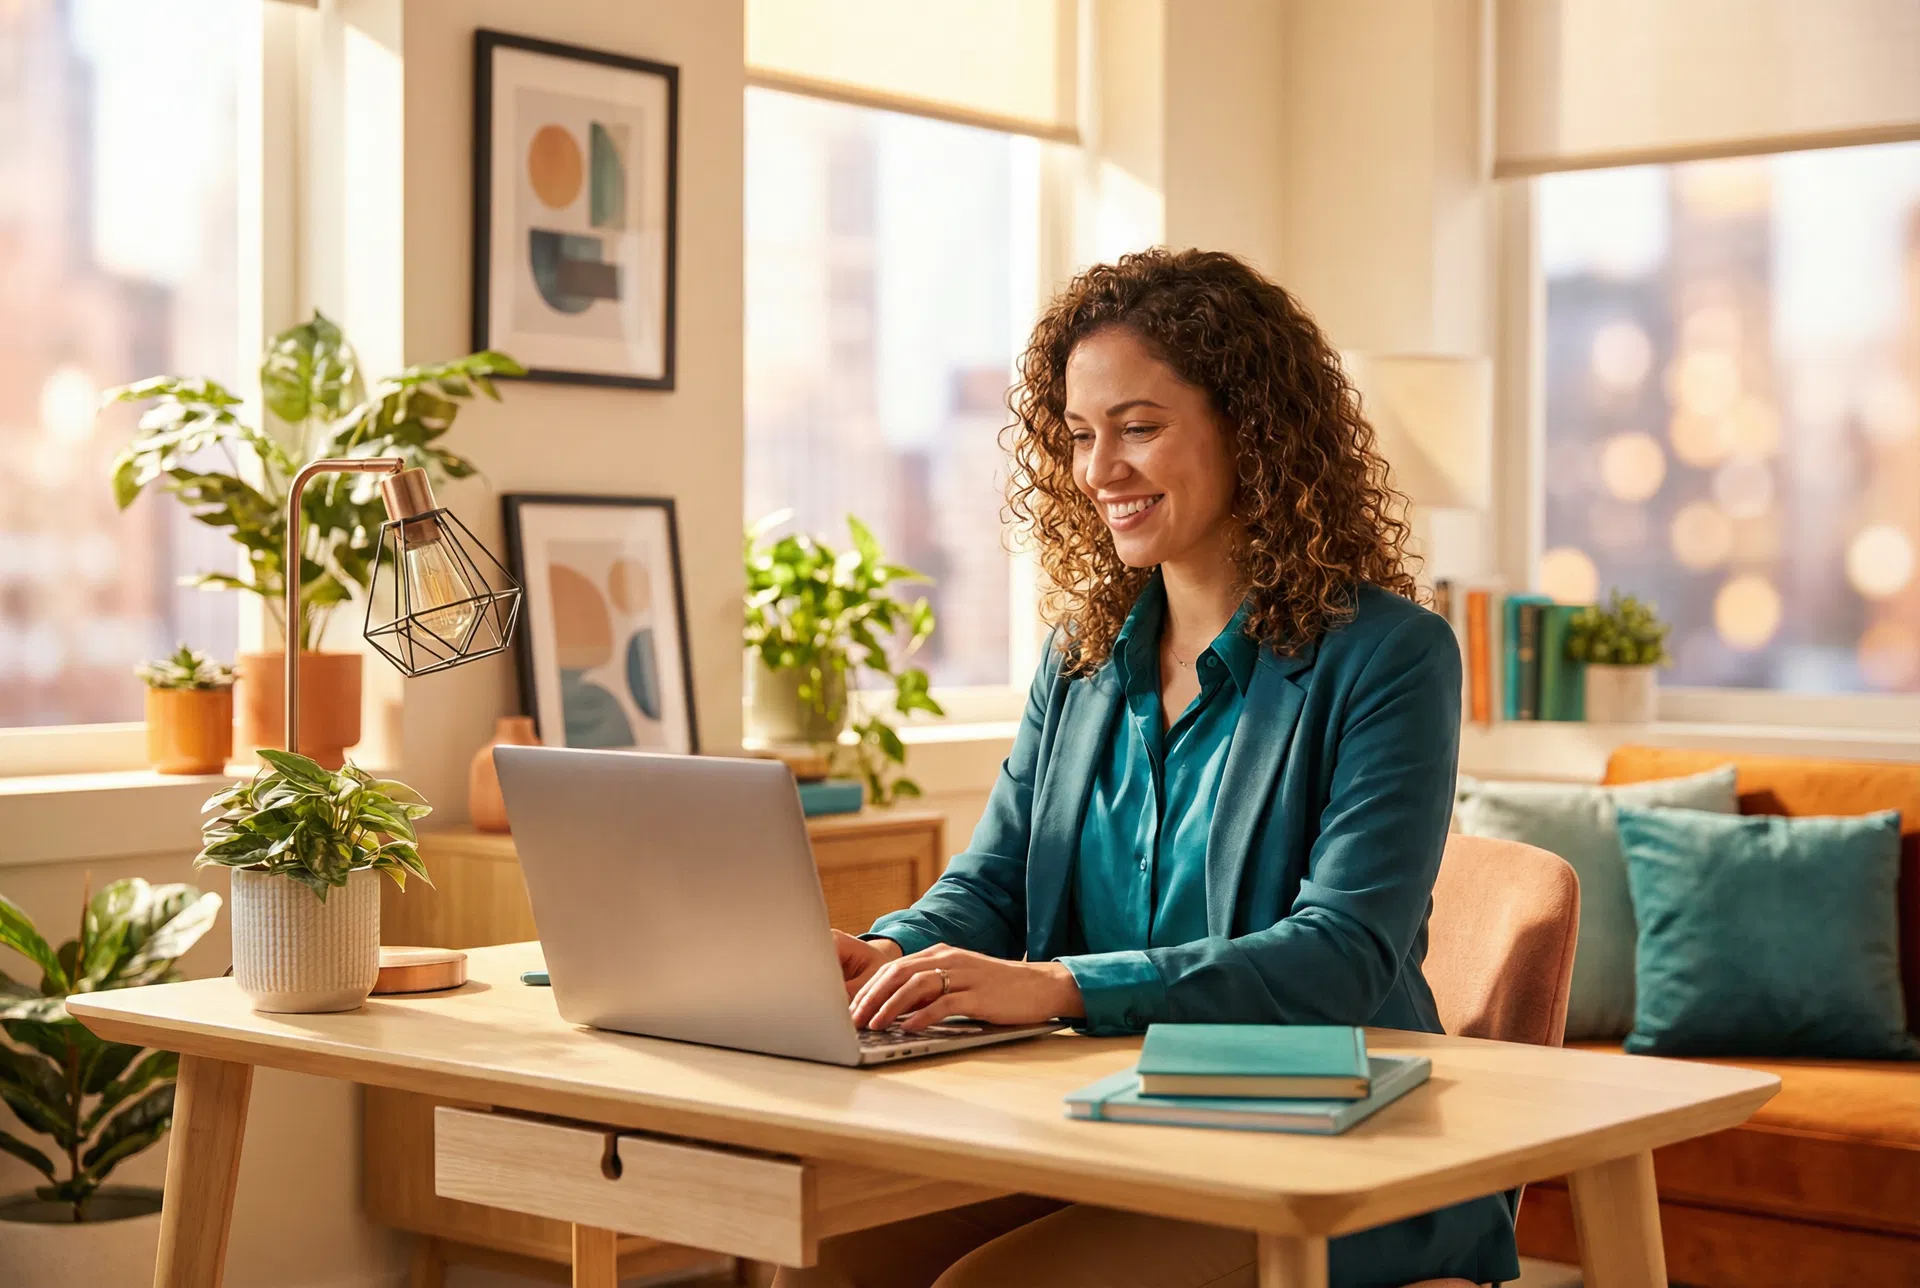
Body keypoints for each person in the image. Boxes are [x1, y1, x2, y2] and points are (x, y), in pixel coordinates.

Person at [778, 249, 1520, 1288]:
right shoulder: (1083, 656)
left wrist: (1057, 987)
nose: (1097, 470)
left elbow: (1341, 955)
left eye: (1138, 427)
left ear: (1251, 430)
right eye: (1080, 436)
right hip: (1106, 1129)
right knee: (824, 1256)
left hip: (1335, 1151)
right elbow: (994, 884)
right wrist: (887, 954)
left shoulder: (1390, 656)